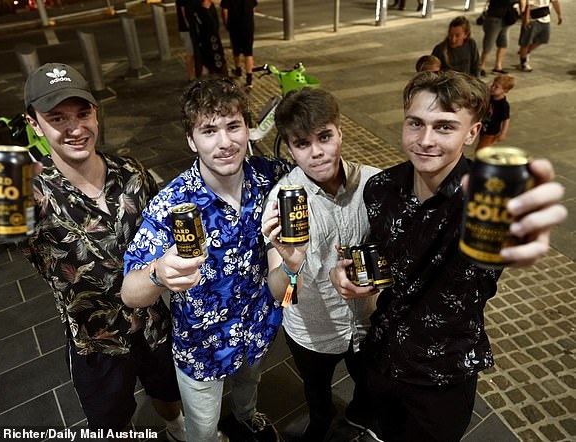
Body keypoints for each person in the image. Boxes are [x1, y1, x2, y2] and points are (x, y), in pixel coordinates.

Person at [0, 63, 186, 439]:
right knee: (111, 419)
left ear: (96, 113)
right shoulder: (37, 191)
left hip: (155, 323)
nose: (76, 129)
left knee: (169, 391)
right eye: (58, 118)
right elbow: (8, 218)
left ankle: (175, 427)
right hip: (96, 344)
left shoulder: (131, 171)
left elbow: (163, 229)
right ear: (35, 124)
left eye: (83, 113)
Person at [329, 70, 567, 442]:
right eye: (415, 123)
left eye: (444, 127)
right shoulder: (379, 189)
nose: (425, 140)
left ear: (472, 133)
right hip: (383, 350)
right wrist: (348, 273)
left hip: (442, 371)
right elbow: (382, 256)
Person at [121, 78, 290, 442]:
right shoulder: (172, 204)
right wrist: (157, 274)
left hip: (258, 325)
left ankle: (247, 415)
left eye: (234, 126)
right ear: (190, 140)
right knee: (202, 428)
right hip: (203, 345)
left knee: (250, 384)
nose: (225, 142)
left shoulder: (271, 176)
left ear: (248, 128)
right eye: (209, 130)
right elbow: (129, 293)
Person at [261, 88, 380, 442]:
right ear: (289, 146)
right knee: (316, 390)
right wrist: (291, 265)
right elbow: (277, 293)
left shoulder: (376, 183)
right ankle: (322, 418)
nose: (316, 152)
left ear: (340, 131)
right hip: (311, 330)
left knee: (369, 384)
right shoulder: (281, 201)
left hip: (369, 322)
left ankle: (360, 416)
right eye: (301, 143)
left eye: (325, 137)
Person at [517, 0, 563, 72]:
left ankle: (525, 52)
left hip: (545, 17)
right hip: (533, 18)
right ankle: (523, 62)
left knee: (543, 39)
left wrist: (559, 14)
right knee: (526, 41)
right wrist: (526, 19)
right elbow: (528, 5)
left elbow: (555, 2)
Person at [221, 0, 257, 87]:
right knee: (248, 52)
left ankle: (238, 70)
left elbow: (225, 10)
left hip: (234, 25)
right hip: (248, 26)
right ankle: (249, 78)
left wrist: (226, 24)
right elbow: (253, 8)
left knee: (236, 49)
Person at [479, 0, 518, 76]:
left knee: (503, 44)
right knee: (488, 44)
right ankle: (481, 66)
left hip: (506, 18)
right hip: (494, 18)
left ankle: (498, 66)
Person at [476, 73, 515, 150]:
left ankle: (481, 161)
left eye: (496, 87)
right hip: (484, 128)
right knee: (484, 146)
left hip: (492, 132)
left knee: (481, 150)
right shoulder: (490, 97)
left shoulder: (503, 105)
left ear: (505, 90)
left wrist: (503, 133)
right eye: (492, 85)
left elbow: (506, 119)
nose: (492, 88)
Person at [190, 0, 228, 77]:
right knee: (215, 64)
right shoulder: (203, 11)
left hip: (207, 42)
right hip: (211, 43)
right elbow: (212, 28)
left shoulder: (204, 9)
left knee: (209, 64)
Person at [176, 0, 197, 81]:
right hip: (186, 29)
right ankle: (191, 76)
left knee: (193, 52)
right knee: (190, 52)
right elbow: (183, 10)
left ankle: (194, 73)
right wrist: (189, 24)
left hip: (192, 28)